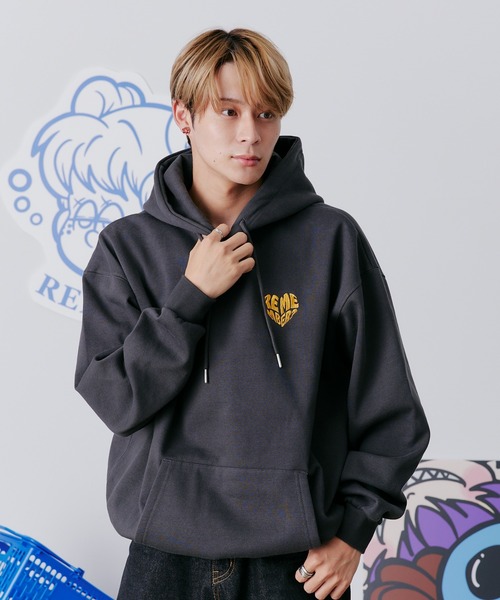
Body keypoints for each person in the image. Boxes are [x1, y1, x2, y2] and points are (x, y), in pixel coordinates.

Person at [75, 28, 430, 600]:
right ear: (184, 116)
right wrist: (190, 296)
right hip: (164, 558)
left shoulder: (330, 239)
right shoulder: (127, 247)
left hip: (295, 564)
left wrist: (353, 533)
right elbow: (115, 400)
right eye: (229, 111)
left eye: (267, 114)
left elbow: (392, 411)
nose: (251, 133)